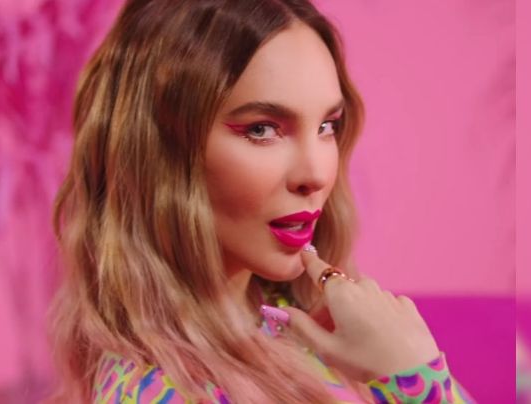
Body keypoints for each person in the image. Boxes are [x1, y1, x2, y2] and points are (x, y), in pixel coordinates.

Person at [49, 0, 477, 402]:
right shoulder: (162, 391)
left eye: (327, 125)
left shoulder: (293, 319)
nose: (315, 174)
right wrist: (416, 381)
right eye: (262, 129)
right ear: (158, 151)